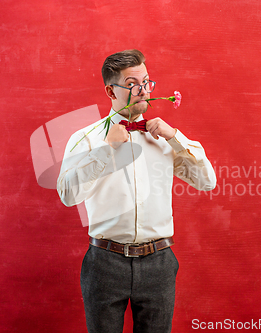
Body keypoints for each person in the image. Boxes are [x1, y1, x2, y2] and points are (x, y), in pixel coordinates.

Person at [57, 49, 216, 333]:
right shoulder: (85, 139)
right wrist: (107, 149)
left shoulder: (164, 138)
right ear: (110, 89)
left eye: (146, 82)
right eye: (132, 84)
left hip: (159, 262)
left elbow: (207, 182)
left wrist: (176, 138)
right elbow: (69, 195)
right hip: (104, 263)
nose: (143, 91)